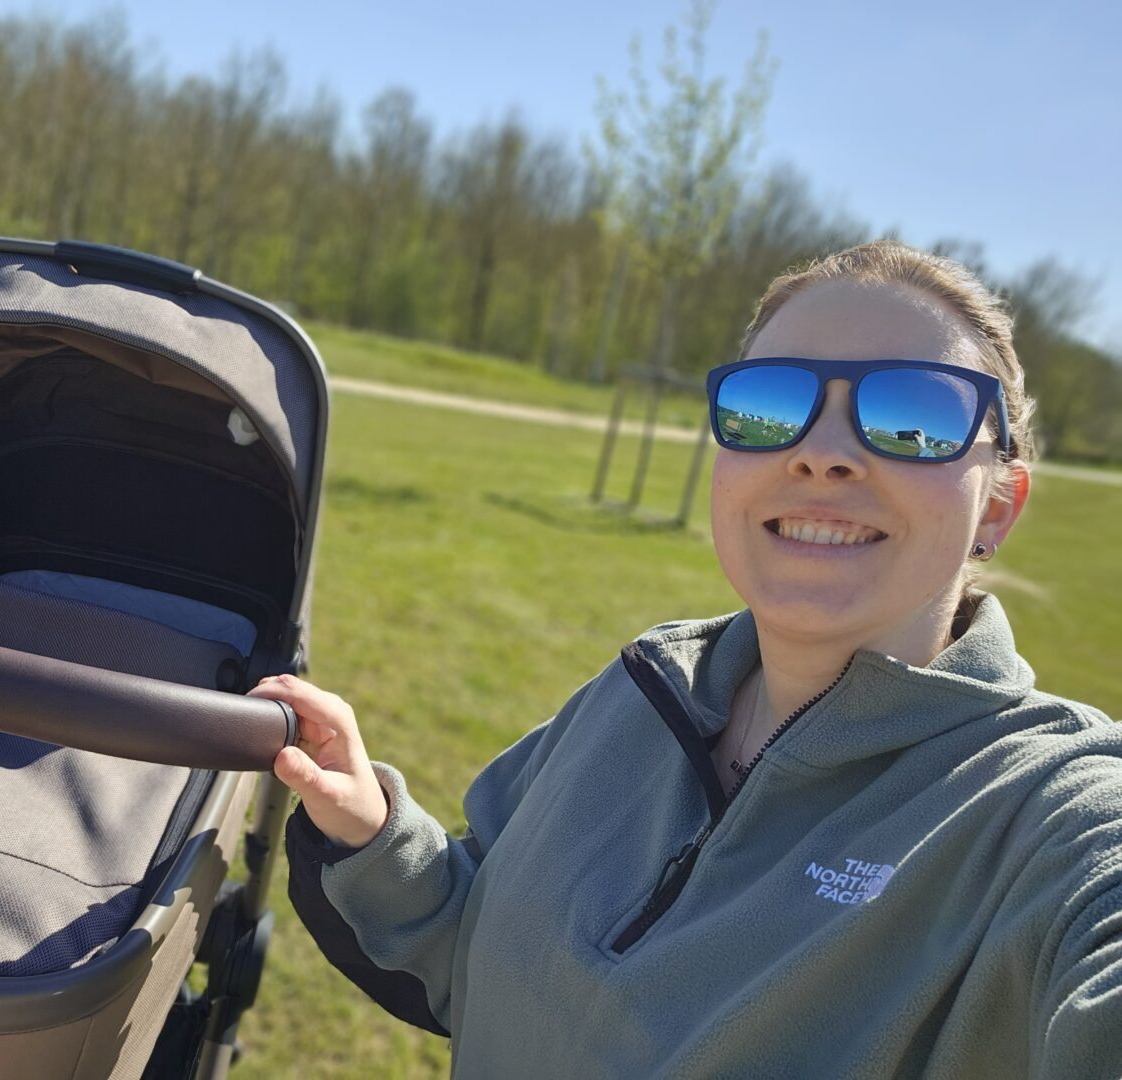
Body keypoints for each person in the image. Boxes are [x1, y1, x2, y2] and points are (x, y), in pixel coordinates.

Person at [250, 241, 1122, 1078]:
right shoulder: (648, 688)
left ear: (999, 507)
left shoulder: (1042, 815)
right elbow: (482, 950)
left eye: (917, 416)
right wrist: (377, 837)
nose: (821, 452)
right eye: (773, 404)